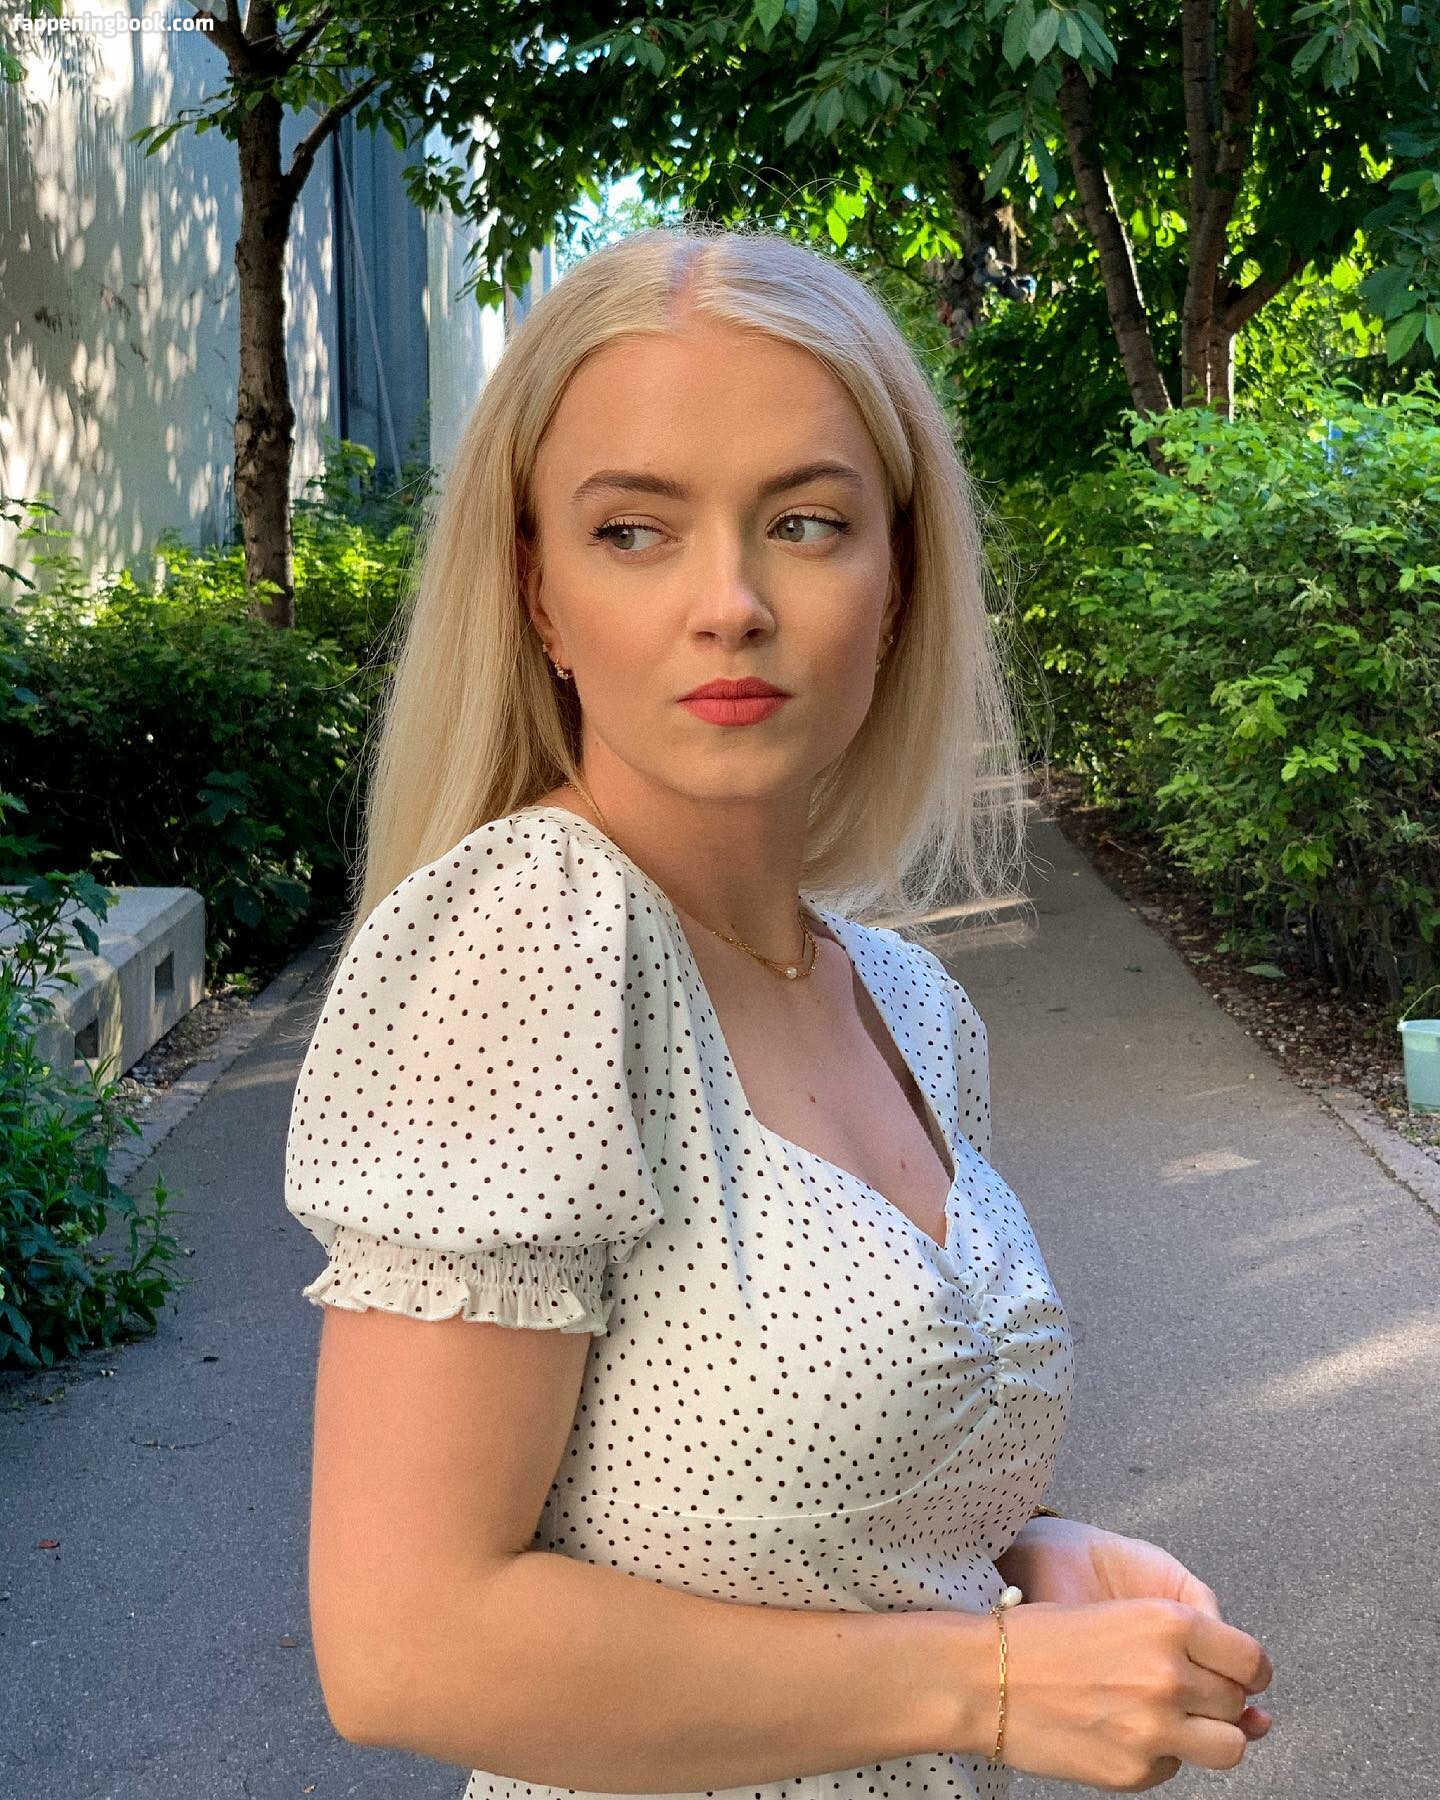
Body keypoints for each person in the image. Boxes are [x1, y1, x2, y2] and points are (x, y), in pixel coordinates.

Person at [283, 222, 1274, 1800]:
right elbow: (407, 1643)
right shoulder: (531, 940)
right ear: (540, 595)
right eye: (634, 531)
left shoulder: (907, 1001)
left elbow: (753, 1497)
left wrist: (1019, 1561)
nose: (730, 602)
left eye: (807, 523)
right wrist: (986, 1679)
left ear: (900, 578)